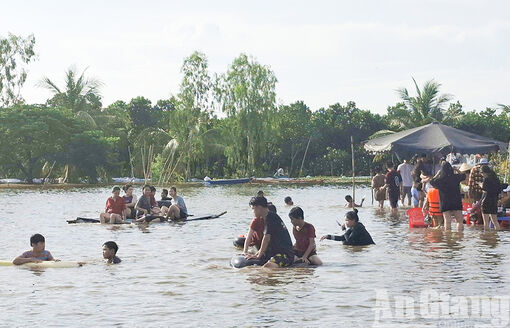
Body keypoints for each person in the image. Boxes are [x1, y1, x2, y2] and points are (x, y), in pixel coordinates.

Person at [246, 196, 294, 268]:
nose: (252, 211)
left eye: (253, 208)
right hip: (274, 252)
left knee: (267, 267)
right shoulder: (268, 217)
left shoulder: (271, 218)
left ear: (259, 208)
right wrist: (258, 253)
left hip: (285, 255)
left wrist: (259, 256)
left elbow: (266, 239)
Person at [430, 162, 466, 231]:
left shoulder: (440, 180)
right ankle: (460, 238)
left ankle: (447, 238)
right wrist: (457, 170)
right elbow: (464, 176)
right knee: (459, 221)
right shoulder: (456, 177)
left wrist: (437, 174)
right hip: (456, 201)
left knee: (447, 221)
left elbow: (432, 182)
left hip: (445, 202)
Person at [480, 165, 508, 230]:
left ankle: (487, 237)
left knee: (486, 222)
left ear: (484, 172)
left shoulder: (486, 179)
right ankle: (496, 236)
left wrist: (481, 185)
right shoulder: (496, 179)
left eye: (481, 173)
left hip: (486, 201)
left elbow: (484, 188)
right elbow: (499, 189)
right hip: (494, 200)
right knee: (495, 221)